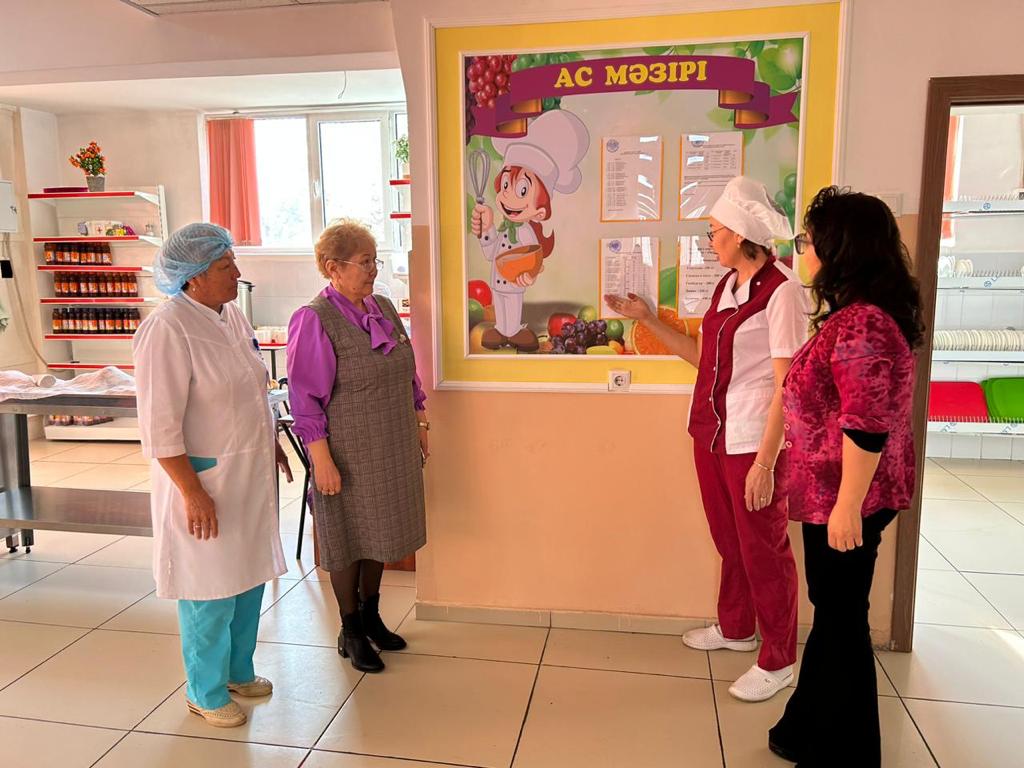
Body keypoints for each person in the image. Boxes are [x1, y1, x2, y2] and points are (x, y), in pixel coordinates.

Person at [606, 176, 806, 702]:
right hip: (712, 433)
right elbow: (703, 358)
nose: (709, 240)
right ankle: (737, 628)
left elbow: (788, 385)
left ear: (740, 235)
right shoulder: (727, 285)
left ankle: (779, 659)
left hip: (753, 441)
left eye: (714, 231)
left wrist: (766, 463)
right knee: (729, 541)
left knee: (764, 549)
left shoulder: (783, 292)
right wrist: (648, 320)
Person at [768, 187, 922, 767]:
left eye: (808, 240)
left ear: (840, 250)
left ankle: (847, 752)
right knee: (834, 612)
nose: (802, 250)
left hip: (847, 498)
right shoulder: (855, 316)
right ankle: (804, 728)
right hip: (833, 494)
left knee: (841, 620)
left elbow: (867, 424)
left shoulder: (864, 325)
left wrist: (847, 506)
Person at [134, 223, 292, 728]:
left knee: (247, 578)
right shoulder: (168, 329)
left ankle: (236, 671)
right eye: (226, 266)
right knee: (209, 588)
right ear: (194, 276)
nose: (236, 274)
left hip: (247, 475)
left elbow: (250, 390)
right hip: (204, 480)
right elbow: (159, 425)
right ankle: (203, 690)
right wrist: (191, 491)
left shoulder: (231, 315)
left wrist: (269, 442)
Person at [286, 219, 428, 673]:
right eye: (365, 262)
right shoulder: (314, 319)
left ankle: (371, 616)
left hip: (391, 442)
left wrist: (419, 418)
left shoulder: (381, 306)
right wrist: (320, 459)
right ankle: (350, 630)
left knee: (380, 531)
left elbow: (407, 369)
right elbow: (304, 397)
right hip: (346, 449)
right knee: (349, 535)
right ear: (333, 267)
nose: (373, 270)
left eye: (374, 260)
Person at [471, 108, 590, 352]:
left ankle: (513, 330)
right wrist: (486, 228)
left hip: (514, 282)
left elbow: (532, 258)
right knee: (500, 304)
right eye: (506, 185)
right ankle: (502, 330)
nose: (508, 196)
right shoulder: (503, 228)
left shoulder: (525, 232)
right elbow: (490, 252)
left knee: (513, 304)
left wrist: (530, 274)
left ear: (540, 211)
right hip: (497, 280)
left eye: (522, 190)